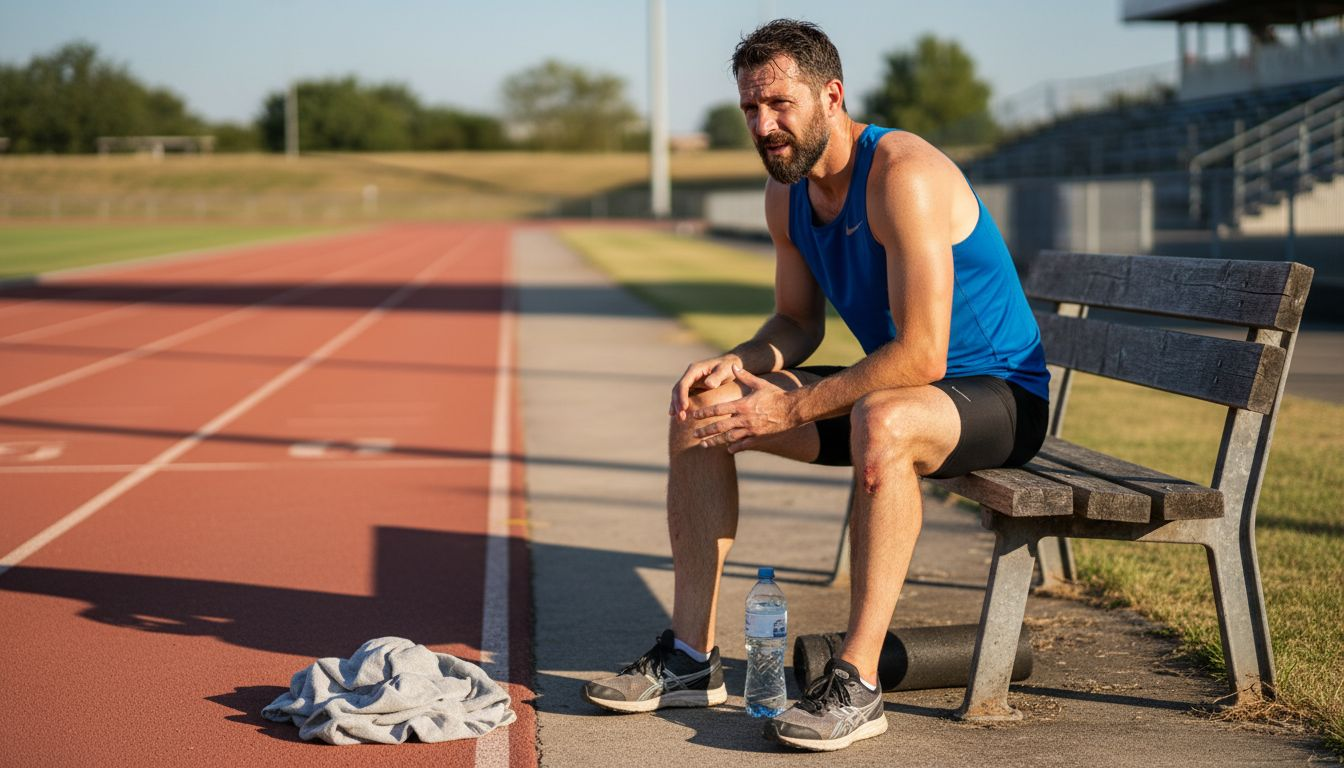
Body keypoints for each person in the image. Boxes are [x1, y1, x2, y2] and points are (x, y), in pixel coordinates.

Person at [582, 19, 1050, 751]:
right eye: (750, 108)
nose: (763, 125)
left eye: (779, 104)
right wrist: (736, 362)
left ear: (832, 96)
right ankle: (691, 656)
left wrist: (792, 407)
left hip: (999, 397)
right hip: (896, 391)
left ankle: (857, 681)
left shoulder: (902, 174)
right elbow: (797, 323)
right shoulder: (788, 194)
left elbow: (923, 354)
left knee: (884, 419)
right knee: (703, 408)